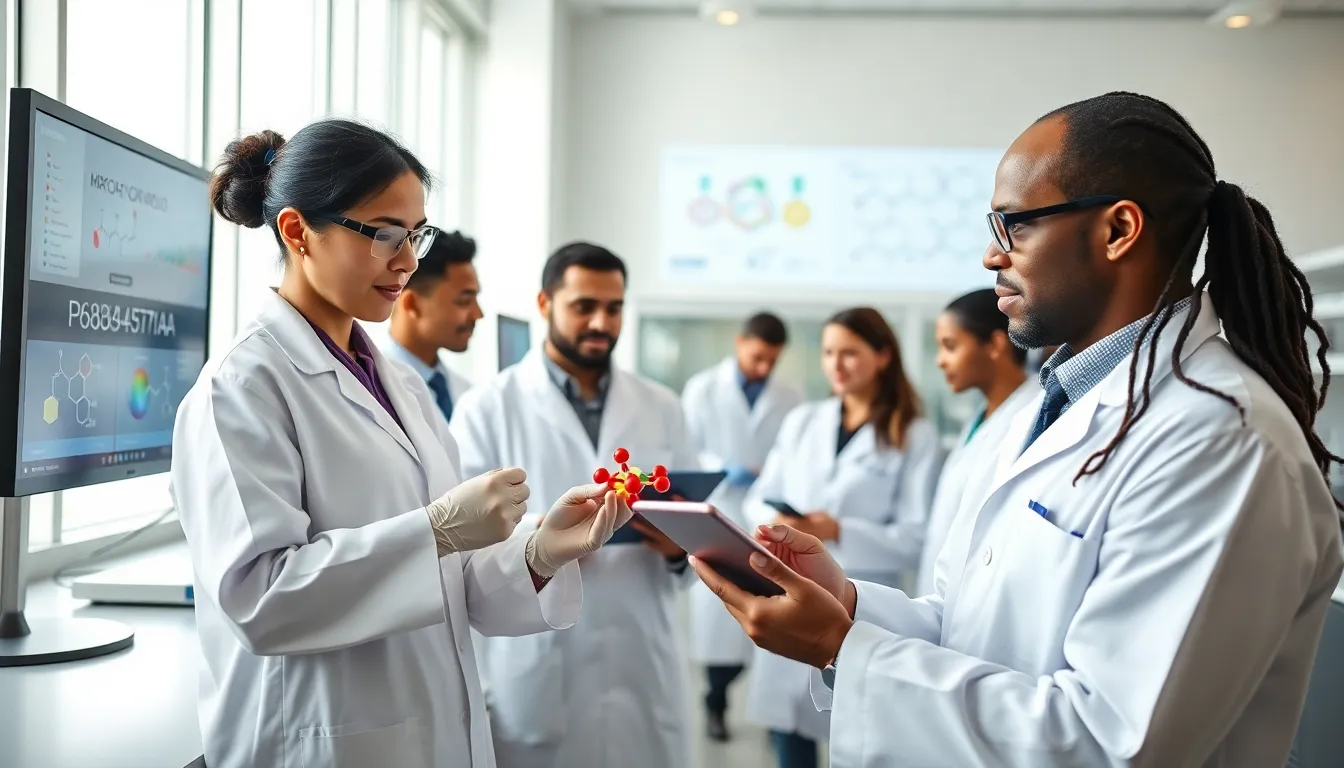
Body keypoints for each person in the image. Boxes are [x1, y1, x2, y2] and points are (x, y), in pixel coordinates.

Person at [691, 92, 1344, 767]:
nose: (990, 256)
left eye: (1014, 226)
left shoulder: (1221, 440)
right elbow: (967, 626)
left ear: (1118, 230)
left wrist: (842, 647)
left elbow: (1113, 744)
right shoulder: (1050, 406)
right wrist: (848, 605)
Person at [171, 121, 632, 768]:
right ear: (298, 232)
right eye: (385, 234)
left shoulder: (401, 388)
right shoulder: (242, 389)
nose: (409, 261)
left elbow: (452, 586)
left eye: (416, 235)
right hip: (320, 741)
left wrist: (538, 551)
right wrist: (436, 531)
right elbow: (260, 601)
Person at [450, 242, 700, 768]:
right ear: (545, 304)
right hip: (539, 653)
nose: (601, 322)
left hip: (640, 646)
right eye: (584, 305)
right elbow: (464, 548)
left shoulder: (661, 406)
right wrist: (547, 540)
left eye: (613, 308)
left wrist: (680, 547)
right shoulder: (487, 409)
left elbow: (692, 540)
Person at [740, 307, 941, 768]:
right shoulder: (803, 421)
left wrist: (837, 530)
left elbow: (914, 537)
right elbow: (759, 496)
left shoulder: (914, 434)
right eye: (829, 352)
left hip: (859, 602)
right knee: (788, 729)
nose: (836, 364)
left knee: (854, 734)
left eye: (850, 352)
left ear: (883, 356)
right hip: (788, 585)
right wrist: (778, 523)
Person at [681, 311, 804, 741]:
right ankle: (715, 702)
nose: (764, 368)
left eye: (772, 360)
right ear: (740, 344)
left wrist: (766, 474)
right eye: (757, 358)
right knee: (719, 625)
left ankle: (769, 717)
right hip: (716, 508)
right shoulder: (702, 389)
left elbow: (793, 456)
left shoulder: (791, 397)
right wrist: (721, 469)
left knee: (768, 621)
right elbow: (688, 450)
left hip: (764, 518)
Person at [916, 288, 1039, 596]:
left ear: (996, 345)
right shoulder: (981, 417)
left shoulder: (1033, 414)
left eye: (950, 346)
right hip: (942, 597)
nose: (940, 361)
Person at [380, 228, 480, 425]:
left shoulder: (468, 394)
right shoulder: (373, 388)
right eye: (464, 301)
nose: (478, 314)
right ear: (412, 305)